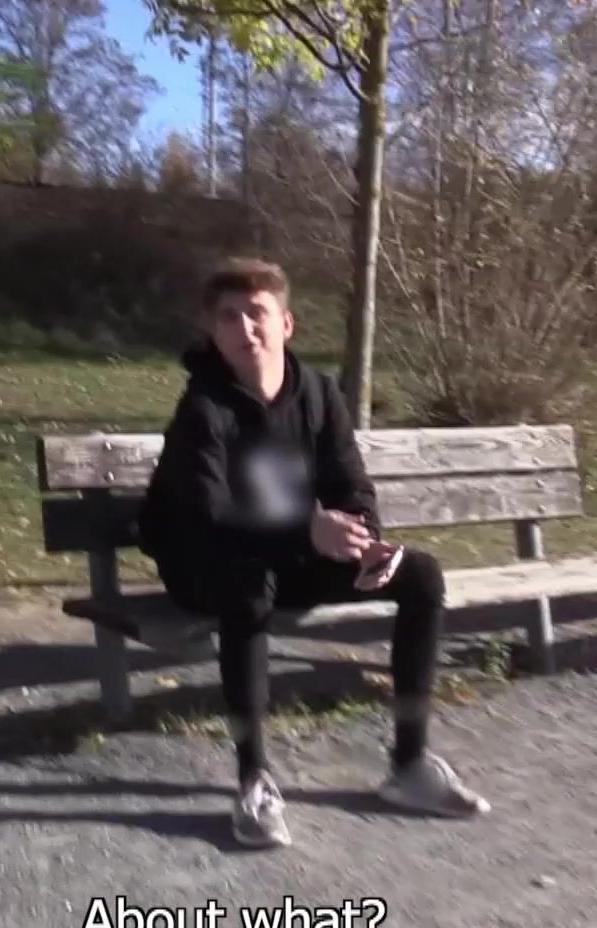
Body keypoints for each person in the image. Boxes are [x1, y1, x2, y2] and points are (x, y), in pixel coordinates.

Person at [137, 256, 490, 849]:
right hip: (204, 562)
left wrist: (365, 542)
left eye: (257, 313)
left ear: (286, 323)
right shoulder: (204, 408)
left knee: (421, 575)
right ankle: (254, 781)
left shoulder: (320, 395)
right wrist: (307, 532)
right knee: (248, 585)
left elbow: (352, 486)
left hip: (289, 553)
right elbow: (208, 518)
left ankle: (409, 766)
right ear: (214, 332)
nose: (245, 328)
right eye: (229, 317)